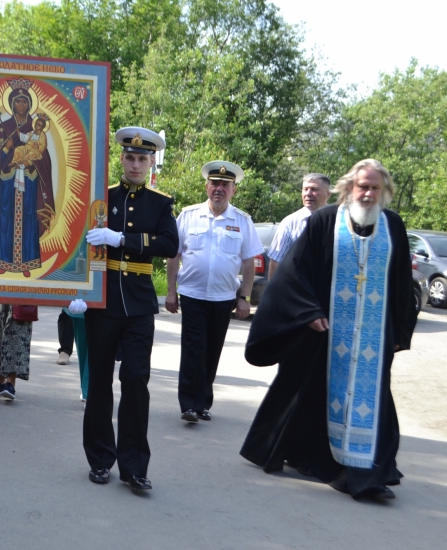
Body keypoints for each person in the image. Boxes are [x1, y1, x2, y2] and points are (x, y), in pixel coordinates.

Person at [240, 159, 417, 500]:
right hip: (325, 332)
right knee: (314, 396)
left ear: (384, 191)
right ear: (349, 187)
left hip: (373, 338)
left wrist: (400, 330)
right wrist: (309, 311)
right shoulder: (325, 221)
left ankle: (366, 472)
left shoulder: (393, 225)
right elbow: (294, 272)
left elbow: (400, 281)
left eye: (374, 188)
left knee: (369, 400)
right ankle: (317, 457)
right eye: (362, 186)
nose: (367, 193)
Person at [70, 127, 179, 492]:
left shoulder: (160, 202)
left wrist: (121, 239)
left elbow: (168, 243)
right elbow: (73, 238)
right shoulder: (102, 198)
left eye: (142, 159)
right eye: (130, 157)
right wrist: (74, 288)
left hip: (138, 304)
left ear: (150, 163)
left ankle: (134, 466)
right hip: (101, 302)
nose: (135, 164)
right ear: (121, 158)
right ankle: (100, 459)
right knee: (99, 380)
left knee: (135, 381)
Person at [166, 161, 263, 423]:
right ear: (207, 186)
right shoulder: (188, 216)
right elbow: (173, 256)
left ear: (233, 190)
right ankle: (188, 404)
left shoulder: (242, 220)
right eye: (215, 183)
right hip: (193, 294)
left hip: (223, 297)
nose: (219, 188)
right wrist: (171, 291)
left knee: (212, 350)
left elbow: (248, 263)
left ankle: (203, 402)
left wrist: (244, 298)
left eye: (225, 185)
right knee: (193, 349)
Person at [0, 78, 56, 277]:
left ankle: (27, 263)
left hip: (30, 181)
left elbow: (44, 157)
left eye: (25, 102)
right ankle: (2, 260)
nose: (21, 105)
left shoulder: (36, 130)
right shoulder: (2, 128)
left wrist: (31, 161)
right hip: (7, 182)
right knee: (6, 217)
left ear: (29, 105)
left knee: (29, 217)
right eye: (17, 101)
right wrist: (7, 146)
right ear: (12, 104)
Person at [268, 173, 331, 278]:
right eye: (305, 189)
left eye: (314, 189)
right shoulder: (290, 223)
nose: (308, 194)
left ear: (328, 194)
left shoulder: (339, 221)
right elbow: (275, 263)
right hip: (298, 290)